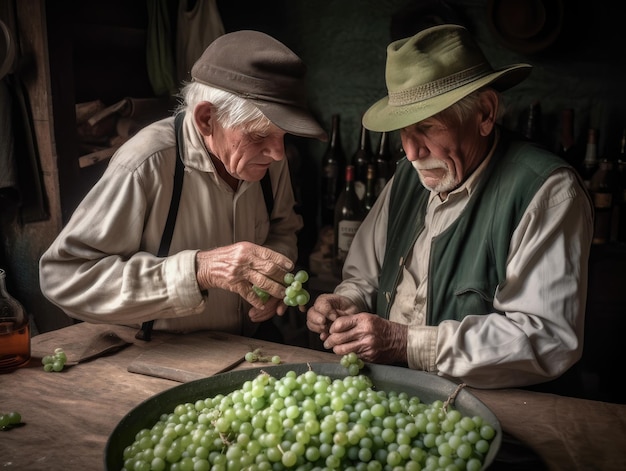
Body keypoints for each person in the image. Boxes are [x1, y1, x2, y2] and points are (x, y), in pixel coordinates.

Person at [307, 24, 593, 389]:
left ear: (485, 114)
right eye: (403, 131)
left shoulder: (546, 192)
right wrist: (347, 302)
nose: (412, 152)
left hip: (498, 410)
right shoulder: (407, 177)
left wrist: (404, 342)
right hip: (395, 399)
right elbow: (365, 277)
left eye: (426, 127)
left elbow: (546, 337)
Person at [39, 30, 326, 338]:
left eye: (283, 135)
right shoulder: (145, 163)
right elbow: (64, 279)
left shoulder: (268, 160)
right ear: (206, 119)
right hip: (157, 357)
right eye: (258, 135)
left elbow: (283, 228)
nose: (278, 153)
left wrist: (269, 280)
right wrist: (199, 270)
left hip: (244, 351)